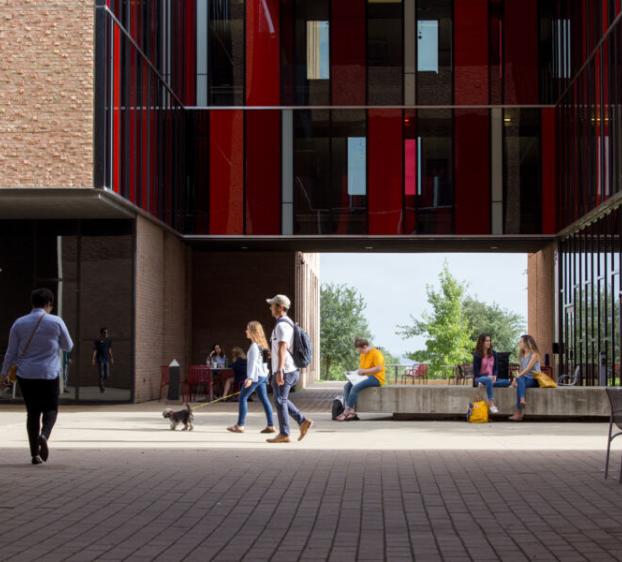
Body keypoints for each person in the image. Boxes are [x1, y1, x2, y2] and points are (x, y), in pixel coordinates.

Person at [0, 288, 73, 464]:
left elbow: (11, 352)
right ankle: (44, 435)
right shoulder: (56, 321)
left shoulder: (19, 323)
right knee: (51, 409)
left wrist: (3, 374)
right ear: (49, 304)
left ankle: (35, 454)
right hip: (49, 373)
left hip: (26, 374)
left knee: (32, 413)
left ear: (32, 303)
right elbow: (68, 346)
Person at [265, 294, 313, 443]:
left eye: (272, 305)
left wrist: (279, 370)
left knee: (280, 400)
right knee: (281, 400)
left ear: (280, 307)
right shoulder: (284, 324)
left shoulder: (282, 325)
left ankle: (285, 433)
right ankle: (302, 421)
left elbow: (283, 347)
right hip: (286, 369)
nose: (270, 307)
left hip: (285, 370)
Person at [227, 322, 275, 434]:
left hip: (255, 377)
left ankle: (240, 425)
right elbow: (264, 364)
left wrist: (250, 378)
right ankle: (271, 425)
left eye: (248, 329)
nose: (246, 331)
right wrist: (265, 375)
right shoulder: (262, 346)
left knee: (242, 397)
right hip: (262, 376)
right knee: (264, 399)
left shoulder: (254, 346)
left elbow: (253, 364)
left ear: (253, 332)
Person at [336, 338, 385, 421]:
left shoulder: (376, 353)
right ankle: (351, 411)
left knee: (355, 387)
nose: (360, 353)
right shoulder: (363, 354)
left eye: (361, 351)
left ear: (365, 346)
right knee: (347, 386)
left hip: (376, 378)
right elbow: (362, 369)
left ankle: (347, 411)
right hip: (365, 376)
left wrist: (364, 371)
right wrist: (354, 373)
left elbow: (379, 368)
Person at [472, 334, 510, 414]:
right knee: (488, 380)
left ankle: (484, 385)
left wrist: (495, 376)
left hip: (490, 379)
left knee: (507, 382)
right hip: (479, 378)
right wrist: (487, 376)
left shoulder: (494, 354)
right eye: (486, 341)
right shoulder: (477, 355)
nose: (489, 342)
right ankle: (491, 404)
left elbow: (496, 368)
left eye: (489, 340)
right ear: (481, 342)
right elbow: (476, 373)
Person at [509, 334, 542, 422]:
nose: (519, 343)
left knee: (520, 382)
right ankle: (521, 404)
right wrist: (515, 379)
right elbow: (520, 371)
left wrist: (517, 378)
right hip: (524, 379)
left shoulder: (534, 354)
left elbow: (527, 369)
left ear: (526, 343)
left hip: (534, 380)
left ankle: (519, 411)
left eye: (521, 342)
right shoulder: (522, 355)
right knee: (520, 381)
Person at [92, 328, 113, 393]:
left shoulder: (108, 341)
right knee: (101, 374)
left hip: (106, 359)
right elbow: (95, 350)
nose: (106, 334)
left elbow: (109, 350)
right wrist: (93, 358)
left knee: (107, 375)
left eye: (107, 333)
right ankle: (101, 386)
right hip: (100, 359)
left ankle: (101, 382)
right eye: (105, 332)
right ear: (101, 333)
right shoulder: (97, 341)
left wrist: (111, 357)